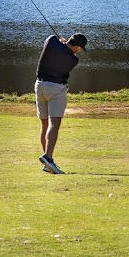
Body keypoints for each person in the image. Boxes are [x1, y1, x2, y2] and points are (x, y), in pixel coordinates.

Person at [35, 32, 88, 174]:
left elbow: (54, 43)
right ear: (77, 47)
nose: (79, 51)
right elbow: (66, 52)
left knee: (44, 124)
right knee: (54, 124)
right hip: (56, 89)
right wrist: (65, 45)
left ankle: (48, 163)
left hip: (40, 86)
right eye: (80, 48)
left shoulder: (51, 40)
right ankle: (48, 157)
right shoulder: (73, 59)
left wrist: (62, 42)